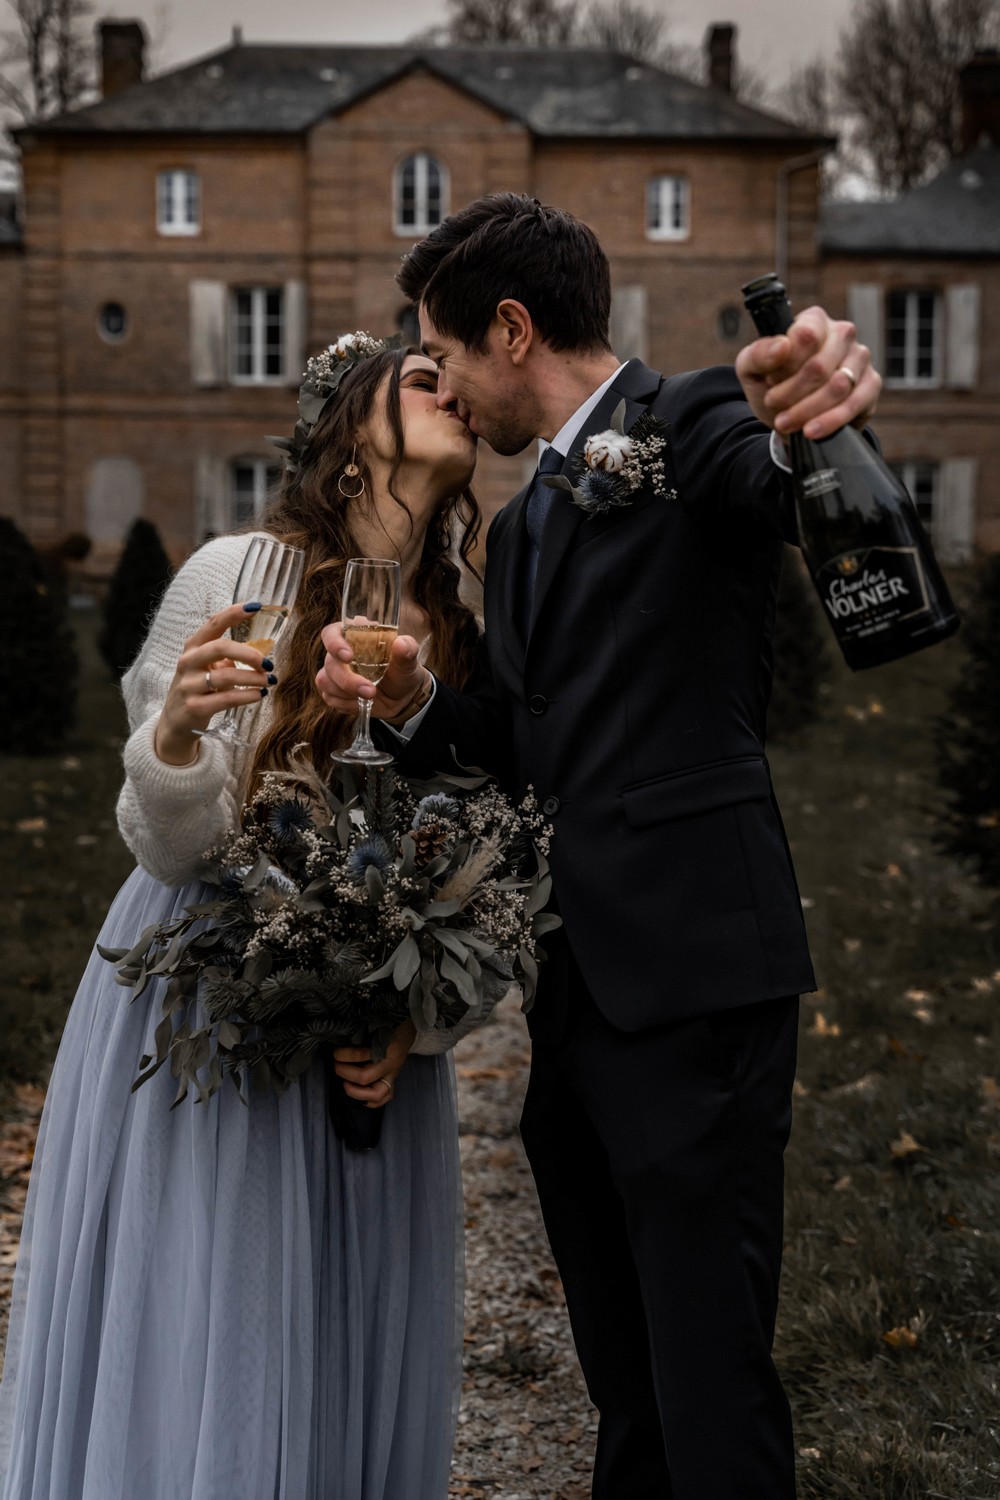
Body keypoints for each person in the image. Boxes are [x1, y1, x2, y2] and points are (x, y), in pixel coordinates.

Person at [316, 194, 883, 1500]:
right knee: (622, 1387)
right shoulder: (520, 534)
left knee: (708, 1375)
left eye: (444, 356)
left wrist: (800, 412)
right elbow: (524, 742)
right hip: (575, 1013)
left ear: (510, 330)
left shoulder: (688, 423)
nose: (445, 389)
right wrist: (410, 706)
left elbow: (778, 482)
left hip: (693, 992)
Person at [0, 340, 483, 1500]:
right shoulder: (234, 574)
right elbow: (169, 845)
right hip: (206, 1009)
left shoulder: (460, 624)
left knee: (338, 1340)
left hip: (373, 1044)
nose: (449, 385)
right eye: (419, 373)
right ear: (344, 431)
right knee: (212, 1325)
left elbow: (483, 854)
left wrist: (433, 1015)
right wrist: (171, 743)